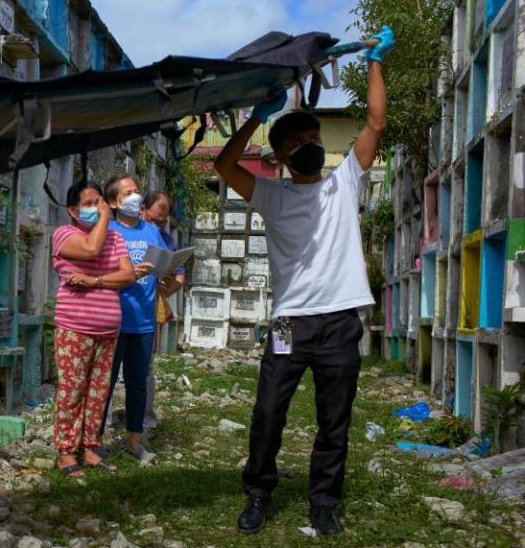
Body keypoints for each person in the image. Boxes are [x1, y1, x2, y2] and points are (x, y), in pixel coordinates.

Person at [213, 26, 394, 536]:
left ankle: (323, 503)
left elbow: (376, 122)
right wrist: (254, 118)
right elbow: (227, 165)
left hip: (339, 322)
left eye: (314, 138)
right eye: (299, 142)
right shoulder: (272, 196)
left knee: (334, 421)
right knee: (269, 412)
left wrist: (375, 61)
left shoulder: (344, 183)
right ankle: (258, 493)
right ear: (282, 156)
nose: (312, 146)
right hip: (289, 323)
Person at [50, 180, 136, 477]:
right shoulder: (64, 235)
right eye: (90, 203)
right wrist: (105, 219)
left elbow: (127, 275)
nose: (98, 208)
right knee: (72, 391)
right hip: (74, 327)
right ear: (73, 210)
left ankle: (90, 447)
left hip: (108, 330)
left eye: (100, 201)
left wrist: (95, 281)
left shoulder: (115, 238)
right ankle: (65, 451)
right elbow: (90, 249)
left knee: (98, 393)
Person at [100, 172, 165, 463]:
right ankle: (95, 439)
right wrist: (129, 275)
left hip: (144, 321)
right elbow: (98, 275)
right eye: (127, 193)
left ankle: (135, 440)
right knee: (107, 383)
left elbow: (162, 263)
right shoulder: (108, 231)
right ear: (114, 202)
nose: (135, 196)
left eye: (136, 190)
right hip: (113, 319)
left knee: (138, 383)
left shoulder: (151, 230)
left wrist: (167, 271)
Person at [141, 191, 186, 431]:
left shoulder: (167, 241)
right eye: (153, 219)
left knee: (146, 368)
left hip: (148, 311)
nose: (158, 224)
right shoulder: (129, 234)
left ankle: (145, 419)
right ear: (142, 211)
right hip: (122, 308)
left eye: (163, 221)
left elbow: (179, 275)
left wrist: (170, 287)